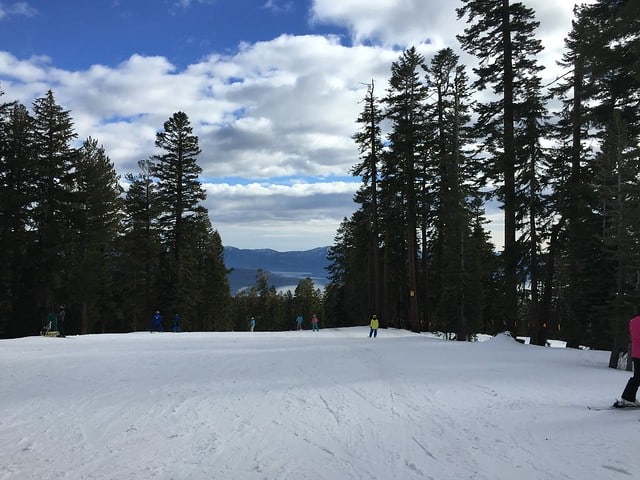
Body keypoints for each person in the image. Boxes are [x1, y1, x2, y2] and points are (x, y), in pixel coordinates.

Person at [617, 308, 640, 407]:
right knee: (638, 377)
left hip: (637, 353)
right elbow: (637, 336)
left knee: (638, 377)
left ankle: (628, 398)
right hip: (638, 353)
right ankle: (628, 398)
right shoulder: (636, 321)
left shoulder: (634, 321)